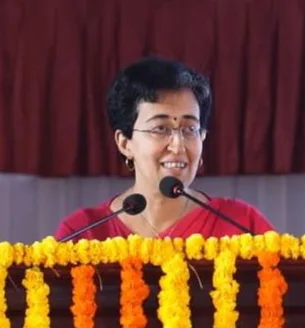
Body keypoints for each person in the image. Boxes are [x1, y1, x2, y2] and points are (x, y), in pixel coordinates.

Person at [55, 56, 274, 241]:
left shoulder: (242, 226)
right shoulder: (83, 233)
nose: (178, 146)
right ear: (125, 143)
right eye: (160, 128)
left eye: (189, 129)